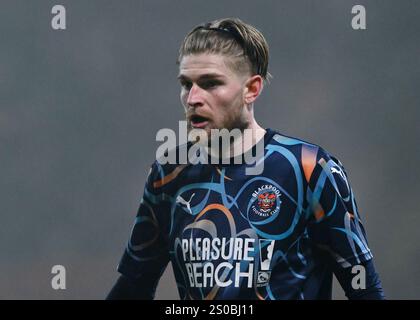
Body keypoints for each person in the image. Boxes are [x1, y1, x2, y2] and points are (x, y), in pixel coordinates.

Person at [107, 18, 384, 300]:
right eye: (186, 84)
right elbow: (134, 286)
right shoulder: (168, 174)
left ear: (251, 89)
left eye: (210, 83)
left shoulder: (309, 168)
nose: (193, 98)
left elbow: (365, 289)